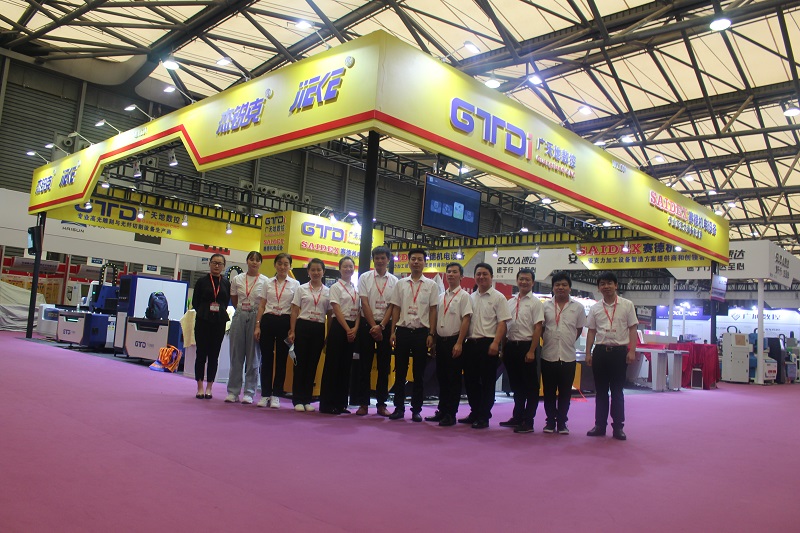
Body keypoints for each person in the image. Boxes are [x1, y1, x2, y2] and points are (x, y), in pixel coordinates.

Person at [585, 271, 638, 441]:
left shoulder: (627, 305)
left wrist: (632, 351)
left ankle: (618, 427)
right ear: (598, 288)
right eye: (602, 284)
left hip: (619, 353)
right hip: (600, 352)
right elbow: (591, 331)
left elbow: (633, 329)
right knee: (600, 391)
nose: (606, 286)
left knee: (617, 391)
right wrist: (588, 352)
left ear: (616, 285)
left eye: (609, 283)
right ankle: (599, 425)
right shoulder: (595, 308)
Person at [388, 249, 438, 422]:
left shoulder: (431, 285)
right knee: (400, 371)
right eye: (413, 259)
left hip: (421, 333)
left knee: (419, 373)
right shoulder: (400, 284)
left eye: (420, 259)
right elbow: (396, 308)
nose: (416, 262)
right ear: (408, 262)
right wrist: (393, 331)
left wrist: (431, 333)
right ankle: (398, 408)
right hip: (403, 331)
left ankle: (416, 409)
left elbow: (433, 310)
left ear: (425, 262)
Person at [461, 263, 511, 429]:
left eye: (485, 274)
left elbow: (502, 323)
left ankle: (484, 416)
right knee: (470, 381)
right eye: (478, 274)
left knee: (487, 382)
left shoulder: (499, 298)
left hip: (488, 343)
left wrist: (496, 343)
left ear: (491, 277)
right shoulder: (470, 297)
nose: (481, 277)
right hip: (471, 344)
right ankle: (474, 412)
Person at [352, 246, 397, 417]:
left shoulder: (394, 281)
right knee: (365, 365)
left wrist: (382, 326)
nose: (380, 261)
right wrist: (373, 326)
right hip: (367, 325)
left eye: (383, 258)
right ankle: (363, 403)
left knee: (384, 367)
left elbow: (392, 305)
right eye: (377, 258)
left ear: (388, 260)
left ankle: (381, 404)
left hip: (385, 325)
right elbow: (364, 302)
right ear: (373, 260)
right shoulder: (364, 277)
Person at [425, 262, 471, 427]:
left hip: (454, 341)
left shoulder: (464, 296)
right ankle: (442, 410)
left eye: (454, 272)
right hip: (441, 341)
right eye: (449, 272)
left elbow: (466, 319)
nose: (451, 274)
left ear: (461, 276)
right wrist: (434, 341)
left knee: (453, 379)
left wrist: (459, 342)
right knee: (442, 378)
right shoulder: (440, 297)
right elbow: (436, 319)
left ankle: (451, 413)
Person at [541, 272, 586, 435]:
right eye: (557, 285)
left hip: (568, 356)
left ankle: (562, 423)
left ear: (570, 288)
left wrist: (568, 340)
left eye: (564, 285)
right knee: (548, 391)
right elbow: (541, 329)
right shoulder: (544, 306)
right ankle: (550, 422)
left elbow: (579, 329)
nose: (561, 287)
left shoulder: (578, 307)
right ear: (553, 287)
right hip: (548, 354)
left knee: (565, 392)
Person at [500, 268, 544, 434]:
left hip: (527, 346)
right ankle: (517, 416)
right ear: (517, 281)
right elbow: (505, 326)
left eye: (527, 279)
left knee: (530, 386)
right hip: (511, 346)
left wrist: (532, 350)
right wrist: (503, 348)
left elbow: (538, 328)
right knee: (516, 385)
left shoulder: (536, 303)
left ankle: (528, 421)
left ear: (532, 282)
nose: (524, 282)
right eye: (521, 279)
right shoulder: (510, 302)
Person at [254, 253, 300, 409]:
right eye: (280, 263)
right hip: (268, 320)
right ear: (275, 265)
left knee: (281, 360)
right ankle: (265, 394)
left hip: (285, 321)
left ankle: (276, 395)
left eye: (286, 264)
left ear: (290, 266)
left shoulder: (295, 284)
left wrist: (292, 330)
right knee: (266, 359)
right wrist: (258, 325)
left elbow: (295, 309)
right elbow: (262, 305)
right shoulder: (267, 282)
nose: (282, 267)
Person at [287, 258, 331, 412]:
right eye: (313, 270)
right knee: (300, 364)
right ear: (308, 272)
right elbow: (294, 311)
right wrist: (292, 330)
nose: (316, 272)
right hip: (303, 326)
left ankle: (307, 399)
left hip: (318, 328)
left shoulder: (328, 292)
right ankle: (297, 399)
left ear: (323, 272)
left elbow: (330, 314)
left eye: (319, 270)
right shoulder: (301, 289)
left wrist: (328, 334)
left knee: (312, 364)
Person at [226, 251, 268, 404]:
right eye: (251, 259)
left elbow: (264, 302)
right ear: (247, 261)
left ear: (260, 263)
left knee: (253, 356)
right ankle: (233, 391)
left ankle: (249, 392)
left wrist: (257, 321)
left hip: (256, 316)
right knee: (236, 354)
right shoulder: (237, 279)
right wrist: (242, 309)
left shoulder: (265, 281)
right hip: (240, 314)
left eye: (257, 260)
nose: (254, 262)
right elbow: (234, 298)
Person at [319, 256, 360, 415]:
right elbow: (336, 309)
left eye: (351, 266)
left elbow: (360, 311)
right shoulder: (335, 287)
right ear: (340, 268)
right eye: (345, 266)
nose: (348, 269)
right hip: (339, 326)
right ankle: (327, 404)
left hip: (352, 328)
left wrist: (355, 328)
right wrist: (348, 329)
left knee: (345, 366)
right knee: (333, 365)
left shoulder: (356, 289)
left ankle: (341, 403)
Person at [192, 253, 231, 400]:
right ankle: (200, 387)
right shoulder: (201, 281)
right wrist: (205, 311)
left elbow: (226, 301)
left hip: (219, 322)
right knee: (201, 354)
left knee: (214, 355)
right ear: (209, 264)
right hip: (203, 320)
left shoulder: (226, 283)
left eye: (220, 264)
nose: (217, 266)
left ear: (224, 266)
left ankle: (209, 387)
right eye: (214, 262)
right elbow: (195, 302)